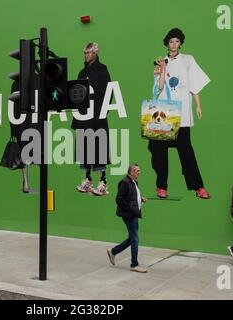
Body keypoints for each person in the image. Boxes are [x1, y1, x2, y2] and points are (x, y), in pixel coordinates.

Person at [150, 28, 211, 199]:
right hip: (165, 114)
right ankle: (161, 186)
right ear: (167, 44)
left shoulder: (188, 60)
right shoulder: (160, 62)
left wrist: (198, 105)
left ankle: (198, 187)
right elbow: (159, 88)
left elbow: (194, 85)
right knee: (160, 152)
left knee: (187, 152)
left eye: (177, 41)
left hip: (183, 114)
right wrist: (161, 69)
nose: (174, 44)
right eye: (171, 41)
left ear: (181, 43)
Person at [72, 42, 112, 196]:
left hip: (97, 117)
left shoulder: (102, 69)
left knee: (99, 149)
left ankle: (103, 182)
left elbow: (109, 92)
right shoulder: (82, 72)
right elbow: (76, 94)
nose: (86, 55)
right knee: (84, 149)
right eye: (85, 53)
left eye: (89, 53)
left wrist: (103, 112)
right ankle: (87, 180)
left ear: (95, 53)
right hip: (84, 117)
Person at [107, 164, 148, 273]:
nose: (139, 172)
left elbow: (132, 197)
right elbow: (119, 199)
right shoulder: (124, 182)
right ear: (132, 172)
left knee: (132, 238)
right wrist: (130, 209)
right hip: (129, 215)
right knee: (135, 239)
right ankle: (134, 265)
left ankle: (113, 252)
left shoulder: (134, 182)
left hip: (134, 214)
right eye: (137, 171)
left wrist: (140, 199)